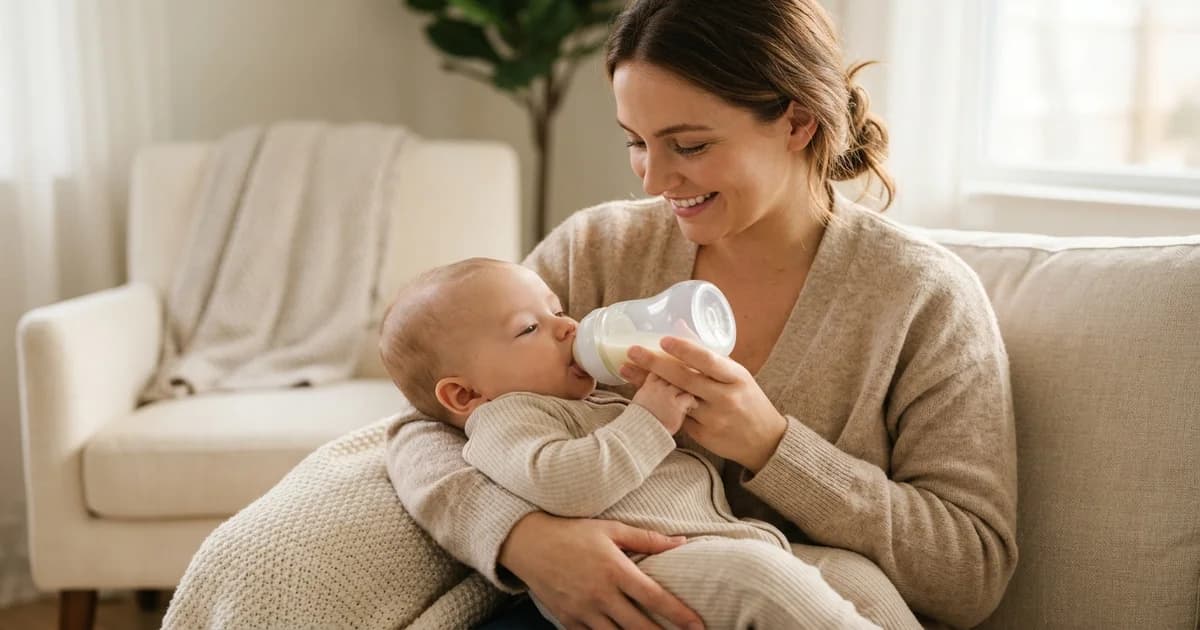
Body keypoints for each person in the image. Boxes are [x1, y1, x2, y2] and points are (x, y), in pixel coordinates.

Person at [386, 0, 1019, 628]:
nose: (654, 179)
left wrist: (771, 446)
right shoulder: (599, 249)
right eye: (636, 142)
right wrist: (522, 539)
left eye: (689, 144)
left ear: (797, 123)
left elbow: (969, 572)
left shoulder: (921, 298)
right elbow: (426, 424)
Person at [378, 257, 880, 629]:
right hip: (637, 571)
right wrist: (649, 418)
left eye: (557, 310)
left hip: (713, 545)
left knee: (856, 576)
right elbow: (564, 484)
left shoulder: (584, 403)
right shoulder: (505, 419)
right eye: (530, 328)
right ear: (465, 393)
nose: (568, 327)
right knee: (761, 578)